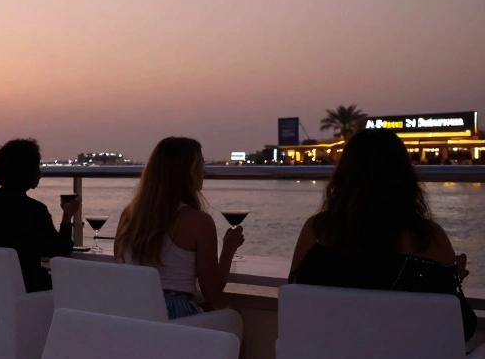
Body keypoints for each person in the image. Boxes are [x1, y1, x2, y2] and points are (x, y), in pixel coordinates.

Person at [289, 128, 476, 342]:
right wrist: (453, 276)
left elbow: (295, 301)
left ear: (343, 176)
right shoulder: (428, 237)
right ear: (405, 176)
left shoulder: (316, 232)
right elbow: (462, 328)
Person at [114, 136, 244, 319]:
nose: (204, 171)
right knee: (233, 320)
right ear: (187, 172)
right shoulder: (198, 221)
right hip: (173, 321)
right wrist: (229, 248)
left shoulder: (128, 216)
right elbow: (212, 292)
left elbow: (121, 267)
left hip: (133, 314)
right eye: (200, 165)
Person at [0, 139, 80, 292]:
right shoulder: (34, 210)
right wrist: (67, 217)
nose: (40, 173)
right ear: (27, 171)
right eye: (37, 166)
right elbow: (60, 252)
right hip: (29, 288)